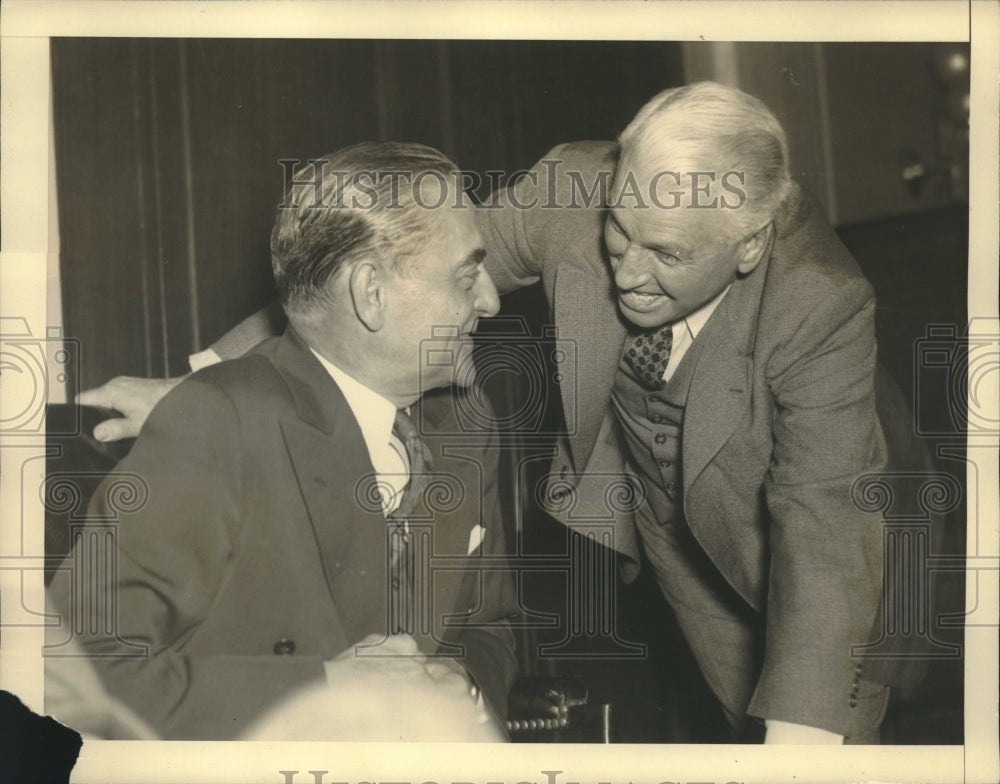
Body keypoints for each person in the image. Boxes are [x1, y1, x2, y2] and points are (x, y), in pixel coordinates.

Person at [78, 83, 909, 743]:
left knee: (810, 734)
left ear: (750, 247)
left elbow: (827, 535)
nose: (626, 274)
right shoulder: (574, 193)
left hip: (803, 528)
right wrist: (200, 380)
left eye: (668, 255)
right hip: (652, 519)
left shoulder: (818, 305)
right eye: (621, 234)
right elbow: (344, 270)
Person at [49, 142, 517, 740]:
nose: (491, 300)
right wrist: (322, 689)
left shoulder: (466, 423)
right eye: (466, 274)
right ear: (371, 292)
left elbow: (490, 627)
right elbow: (76, 674)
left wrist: (468, 688)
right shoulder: (222, 421)